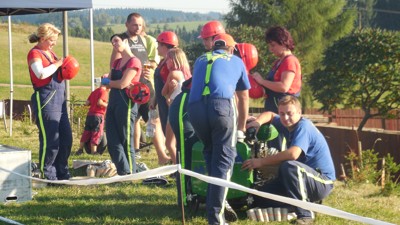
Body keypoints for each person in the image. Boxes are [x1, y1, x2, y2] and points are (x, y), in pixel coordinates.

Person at [242, 95, 336, 225]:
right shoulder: (286, 123)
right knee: (259, 197)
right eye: (282, 114)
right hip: (299, 179)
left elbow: (293, 154)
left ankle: (305, 215)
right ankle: (300, 204)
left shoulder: (304, 126)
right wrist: (257, 123)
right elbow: (269, 114)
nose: (285, 118)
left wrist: (261, 162)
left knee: (289, 166)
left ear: (299, 112)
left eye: (289, 113)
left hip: (321, 181)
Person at [188, 33, 250, 225]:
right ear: (232, 48)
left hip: (195, 108)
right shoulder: (236, 60)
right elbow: (243, 97)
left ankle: (216, 206)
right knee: (224, 161)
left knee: (211, 154)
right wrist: (241, 128)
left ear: (213, 47)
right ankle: (216, 218)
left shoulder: (200, 59)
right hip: (221, 106)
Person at [110, 12, 167, 164]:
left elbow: (151, 60)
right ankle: (133, 153)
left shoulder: (144, 39)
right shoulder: (122, 40)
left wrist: (151, 68)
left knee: (154, 120)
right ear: (126, 24)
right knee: (134, 121)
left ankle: (162, 156)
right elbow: (114, 65)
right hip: (130, 89)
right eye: (134, 24)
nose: (138, 27)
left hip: (146, 87)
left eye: (140, 25)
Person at [27, 23, 72, 180]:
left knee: (66, 138)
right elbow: (40, 74)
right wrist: (58, 64)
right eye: (52, 40)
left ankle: (62, 172)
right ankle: (48, 175)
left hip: (60, 100)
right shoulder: (35, 53)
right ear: (43, 37)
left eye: (55, 40)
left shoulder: (51, 53)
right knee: (51, 139)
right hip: (46, 98)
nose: (54, 43)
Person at [251, 26, 302, 151]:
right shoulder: (278, 62)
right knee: (272, 143)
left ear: (283, 43)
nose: (270, 49)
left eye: (273, 45)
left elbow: (284, 86)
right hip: (274, 106)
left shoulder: (290, 61)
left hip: (285, 108)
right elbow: (272, 86)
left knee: (280, 145)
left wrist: (262, 81)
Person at [103, 33, 142, 175]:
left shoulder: (134, 62)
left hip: (126, 103)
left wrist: (108, 82)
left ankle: (131, 172)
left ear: (126, 41)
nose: (114, 44)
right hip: (113, 102)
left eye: (117, 41)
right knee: (112, 139)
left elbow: (123, 84)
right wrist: (108, 82)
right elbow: (112, 82)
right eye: (112, 42)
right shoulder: (116, 63)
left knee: (126, 139)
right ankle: (122, 171)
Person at [151, 31, 180, 165]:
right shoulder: (164, 62)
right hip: (162, 103)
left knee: (172, 141)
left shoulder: (171, 63)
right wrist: (155, 100)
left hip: (169, 104)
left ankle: (177, 167)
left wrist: (168, 98)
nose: (157, 48)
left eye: (159, 45)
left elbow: (173, 85)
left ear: (165, 46)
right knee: (167, 135)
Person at [160, 47, 191, 164]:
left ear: (173, 60)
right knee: (179, 141)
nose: (166, 62)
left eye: (167, 60)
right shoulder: (186, 74)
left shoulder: (173, 73)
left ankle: (178, 167)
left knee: (169, 143)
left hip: (175, 110)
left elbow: (163, 92)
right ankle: (179, 166)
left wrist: (167, 92)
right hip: (183, 109)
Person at [75, 75, 110, 155]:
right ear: (108, 85)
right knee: (96, 133)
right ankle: (93, 151)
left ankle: (80, 149)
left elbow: (87, 103)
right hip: (98, 116)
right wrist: (108, 105)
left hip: (90, 115)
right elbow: (100, 102)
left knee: (86, 132)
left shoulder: (94, 92)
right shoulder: (104, 92)